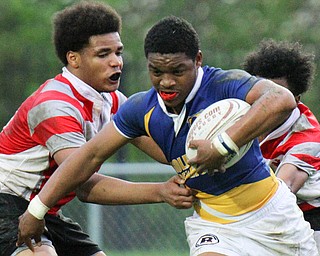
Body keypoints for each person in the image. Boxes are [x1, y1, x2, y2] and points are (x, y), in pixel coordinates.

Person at [17, 16, 319, 256]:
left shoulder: (224, 83)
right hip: (215, 223)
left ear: (197, 60)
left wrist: (223, 145)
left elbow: (280, 98)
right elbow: (89, 156)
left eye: (177, 70)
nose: (166, 81)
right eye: (156, 71)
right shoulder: (140, 109)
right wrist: (37, 208)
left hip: (274, 216)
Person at [0, 4, 193, 256]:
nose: (116, 62)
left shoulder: (114, 102)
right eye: (103, 54)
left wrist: (215, 149)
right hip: (7, 203)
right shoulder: (54, 106)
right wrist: (160, 191)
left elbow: (167, 149)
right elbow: (82, 182)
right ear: (74, 59)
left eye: (118, 52)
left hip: (44, 210)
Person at [242, 38, 320, 252]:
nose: (268, 103)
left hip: (311, 221)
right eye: (263, 93)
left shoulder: (307, 139)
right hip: (272, 218)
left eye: (278, 95)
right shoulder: (239, 118)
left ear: (295, 99)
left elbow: (280, 194)